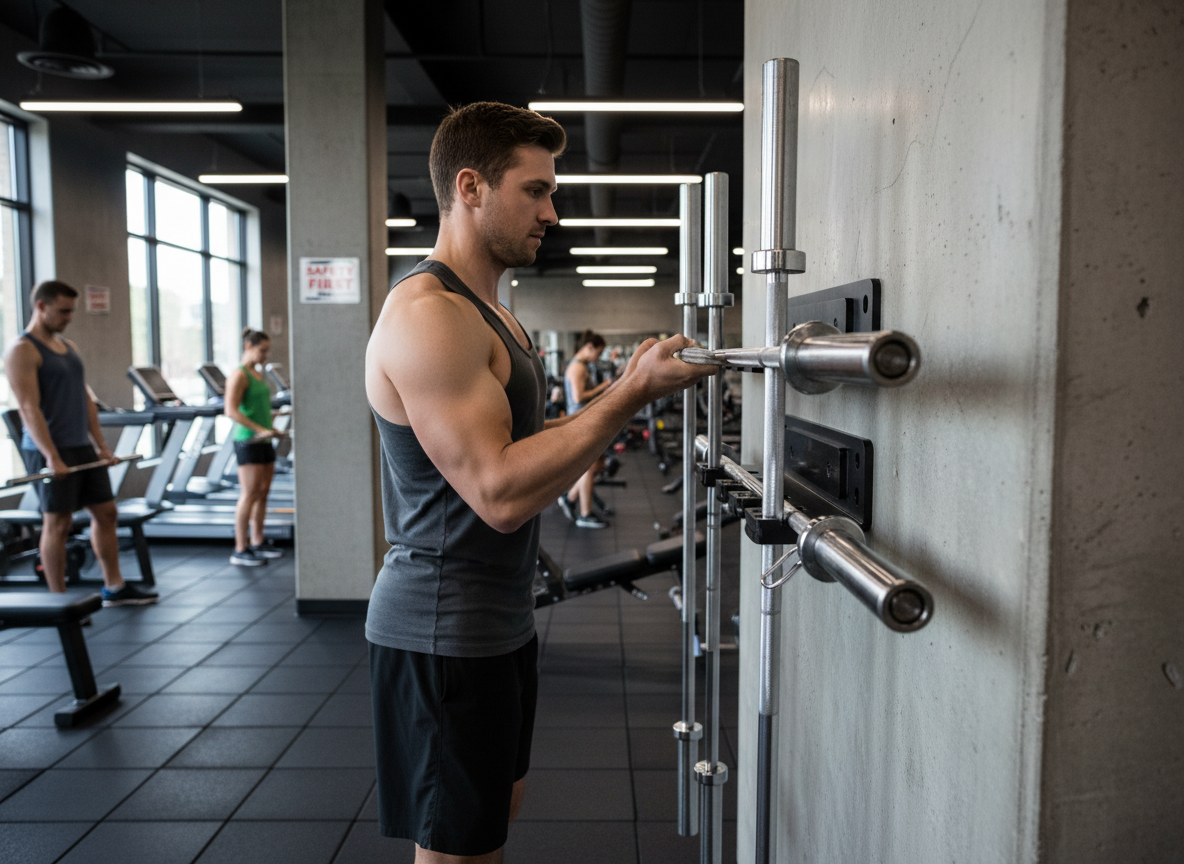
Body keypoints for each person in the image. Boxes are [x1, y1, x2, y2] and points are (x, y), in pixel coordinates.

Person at [364, 101, 714, 864]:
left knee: (493, 817)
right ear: (470, 187)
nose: (552, 212)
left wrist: (623, 385)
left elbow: (531, 445)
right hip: (440, 627)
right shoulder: (428, 315)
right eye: (536, 190)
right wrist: (629, 397)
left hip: (500, 621)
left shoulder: (499, 318)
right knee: (455, 848)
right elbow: (499, 493)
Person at [3, 280, 158, 605]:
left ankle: (114, 587)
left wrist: (101, 446)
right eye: (63, 311)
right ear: (41, 306)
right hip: (49, 450)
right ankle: (57, 600)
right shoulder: (22, 350)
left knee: (107, 513)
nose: (69, 317)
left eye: (71, 311)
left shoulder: (68, 347)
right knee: (58, 523)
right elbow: (28, 408)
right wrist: (51, 457)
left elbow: (86, 400)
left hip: (81, 447)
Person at [223, 328, 284, 567]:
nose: (265, 355)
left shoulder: (257, 374)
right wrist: (259, 429)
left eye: (267, 351)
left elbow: (257, 408)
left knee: (262, 493)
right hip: (248, 440)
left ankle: (258, 542)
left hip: (265, 440)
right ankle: (240, 548)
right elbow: (231, 410)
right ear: (248, 346)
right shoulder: (238, 375)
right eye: (262, 350)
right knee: (249, 494)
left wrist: (273, 419)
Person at [555, 330, 613, 528]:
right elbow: (578, 397)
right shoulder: (577, 368)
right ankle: (584, 514)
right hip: (580, 423)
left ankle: (570, 498)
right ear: (589, 348)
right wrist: (604, 386)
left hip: (586, 421)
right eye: (598, 352)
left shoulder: (581, 366)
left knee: (598, 465)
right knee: (588, 467)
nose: (599, 357)